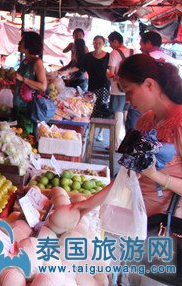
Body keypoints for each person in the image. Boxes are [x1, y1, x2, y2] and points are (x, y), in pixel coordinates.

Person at [73, 54, 182, 219]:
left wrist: (156, 176)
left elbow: (146, 173)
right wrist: (84, 207)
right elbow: (128, 173)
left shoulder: (179, 124)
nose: (128, 100)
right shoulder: (145, 122)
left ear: (149, 84)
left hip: (168, 226)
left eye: (129, 92)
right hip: (140, 218)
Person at [60, 36, 111, 140]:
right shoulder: (87, 57)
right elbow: (77, 67)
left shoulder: (108, 57)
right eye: (95, 43)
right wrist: (65, 71)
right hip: (92, 86)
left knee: (101, 109)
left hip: (104, 87)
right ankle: (90, 131)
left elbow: (112, 71)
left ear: (103, 44)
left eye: (100, 43)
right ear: (92, 43)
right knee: (91, 109)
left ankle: (100, 133)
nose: (97, 45)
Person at [126, 31, 177, 133]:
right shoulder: (172, 60)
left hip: (144, 105)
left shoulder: (145, 59)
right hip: (164, 106)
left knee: (135, 131)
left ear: (148, 43)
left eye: (141, 43)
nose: (140, 47)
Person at [13, 31, 48, 135]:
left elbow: (43, 86)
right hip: (19, 108)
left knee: (27, 138)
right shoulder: (25, 61)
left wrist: (23, 79)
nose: (19, 43)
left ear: (29, 45)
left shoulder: (37, 63)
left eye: (22, 41)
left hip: (29, 110)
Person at [106, 31, 134, 145]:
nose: (110, 45)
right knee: (128, 115)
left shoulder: (114, 53)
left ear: (115, 41)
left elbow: (111, 73)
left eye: (110, 42)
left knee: (118, 113)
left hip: (118, 89)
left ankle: (115, 144)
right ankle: (127, 143)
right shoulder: (133, 52)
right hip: (131, 89)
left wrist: (107, 73)